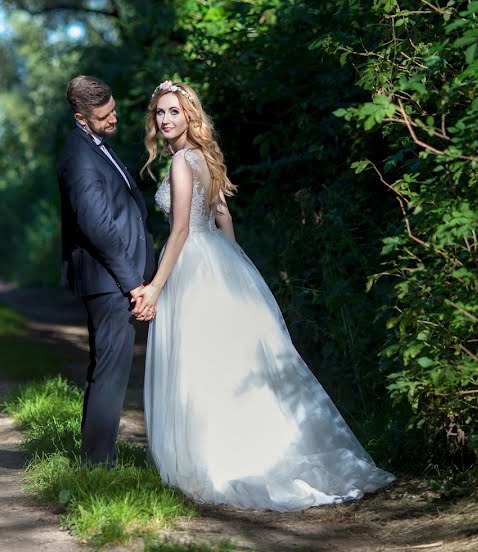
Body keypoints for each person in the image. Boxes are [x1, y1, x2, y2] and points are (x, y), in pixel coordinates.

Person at [134, 80, 394, 511]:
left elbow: (180, 229)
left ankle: (214, 456)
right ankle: (254, 444)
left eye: (173, 112)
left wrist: (157, 285)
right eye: (160, 113)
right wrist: (235, 269)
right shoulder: (204, 157)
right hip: (217, 259)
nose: (165, 120)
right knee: (232, 362)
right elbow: (222, 214)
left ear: (189, 115)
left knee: (201, 363)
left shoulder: (182, 162)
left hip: (192, 263)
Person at [58, 75, 156, 467]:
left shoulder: (97, 146)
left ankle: (95, 457)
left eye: (113, 109)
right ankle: (97, 464)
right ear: (81, 118)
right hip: (110, 279)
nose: (114, 118)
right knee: (111, 373)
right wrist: (134, 283)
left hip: (116, 277)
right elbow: (98, 227)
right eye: (104, 115)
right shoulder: (78, 155)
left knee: (109, 369)